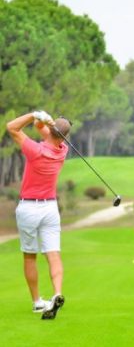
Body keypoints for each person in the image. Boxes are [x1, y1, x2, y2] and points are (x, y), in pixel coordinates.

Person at [6, 111, 72, 320]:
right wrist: (44, 122)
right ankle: (57, 294)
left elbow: (12, 127)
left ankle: (37, 302)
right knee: (53, 254)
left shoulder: (35, 150)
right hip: (51, 209)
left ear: (51, 130)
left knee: (29, 255)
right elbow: (43, 131)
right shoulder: (63, 150)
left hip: (29, 209)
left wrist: (34, 115)